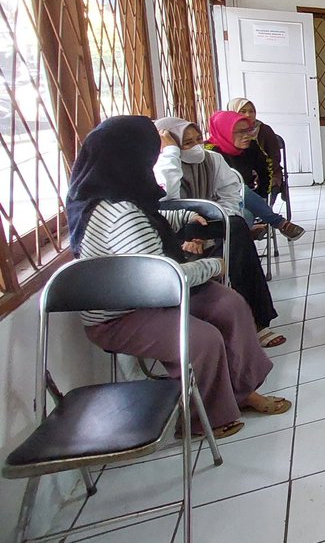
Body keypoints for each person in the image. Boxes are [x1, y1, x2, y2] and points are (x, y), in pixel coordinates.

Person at [66, 116, 289, 440]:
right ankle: (204, 417)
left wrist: (183, 216)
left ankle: (240, 392)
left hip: (154, 294)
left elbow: (151, 219)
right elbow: (161, 281)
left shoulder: (121, 192)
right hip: (124, 313)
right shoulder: (115, 212)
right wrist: (213, 266)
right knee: (203, 339)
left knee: (230, 305)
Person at [155, 117, 285, 347]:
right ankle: (223, 317)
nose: (196, 147)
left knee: (236, 228)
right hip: (172, 229)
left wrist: (207, 225)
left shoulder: (212, 159)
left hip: (210, 220)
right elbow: (165, 201)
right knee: (233, 237)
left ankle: (256, 319)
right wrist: (171, 155)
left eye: (198, 139)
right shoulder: (159, 165)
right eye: (187, 143)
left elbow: (231, 196)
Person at [206, 111, 306, 240]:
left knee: (245, 212)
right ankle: (279, 223)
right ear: (224, 131)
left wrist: (262, 196)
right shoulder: (210, 153)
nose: (246, 136)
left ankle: (236, 247)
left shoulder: (251, 146)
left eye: (248, 130)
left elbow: (266, 169)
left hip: (246, 201)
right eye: (240, 132)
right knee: (238, 188)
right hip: (218, 202)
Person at [227, 98, 285, 202]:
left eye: (251, 111)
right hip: (238, 174)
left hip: (267, 170)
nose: (248, 115)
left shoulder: (264, 130)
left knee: (264, 186)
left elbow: (274, 158)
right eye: (243, 111)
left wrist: (259, 172)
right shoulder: (226, 133)